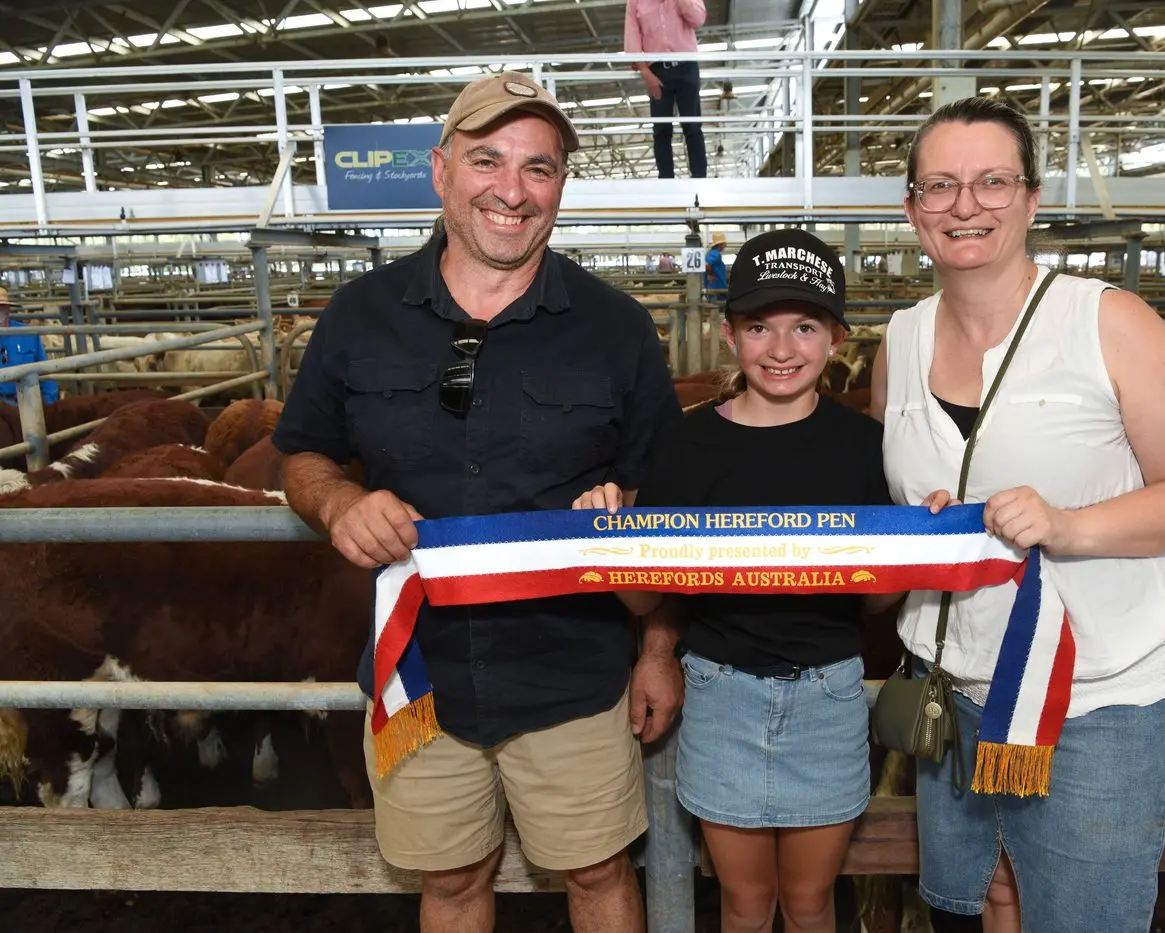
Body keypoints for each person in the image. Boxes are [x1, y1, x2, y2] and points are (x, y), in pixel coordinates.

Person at [272, 71, 683, 933]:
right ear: (440, 169)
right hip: (418, 673)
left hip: (573, 669)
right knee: (452, 882)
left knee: (600, 871)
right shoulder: (360, 315)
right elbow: (300, 453)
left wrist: (657, 643)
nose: (512, 189)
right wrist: (340, 500)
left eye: (539, 167)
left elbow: (663, 496)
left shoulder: (616, 328)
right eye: (487, 159)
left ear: (562, 185)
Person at [870, 96, 1165, 933]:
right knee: (986, 894)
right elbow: (911, 490)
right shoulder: (900, 338)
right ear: (912, 209)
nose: (967, 206)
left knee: (1076, 915)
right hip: (957, 689)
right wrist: (926, 518)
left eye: (993, 181)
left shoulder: (1110, 322)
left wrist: (1070, 525)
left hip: (1099, 699)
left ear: (1032, 199)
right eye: (942, 185)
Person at [575, 228, 897, 933]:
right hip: (721, 695)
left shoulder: (867, 449)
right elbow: (649, 596)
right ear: (729, 335)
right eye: (760, 327)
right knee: (745, 903)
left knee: (811, 902)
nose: (782, 349)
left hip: (829, 695)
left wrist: (919, 543)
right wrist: (609, 542)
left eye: (804, 326)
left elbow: (877, 602)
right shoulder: (684, 447)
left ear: (837, 339)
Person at [624, 0, 708, 179]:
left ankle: (700, 179)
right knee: (661, 129)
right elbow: (632, 35)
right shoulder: (635, 2)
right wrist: (645, 71)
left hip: (687, 66)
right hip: (657, 72)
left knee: (692, 126)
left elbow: (698, 19)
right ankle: (666, 180)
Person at [0, 287, 60, 405]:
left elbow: (44, 370)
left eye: (2, 307)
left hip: (27, 400)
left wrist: (49, 402)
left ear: (8, 309)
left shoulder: (27, 334)